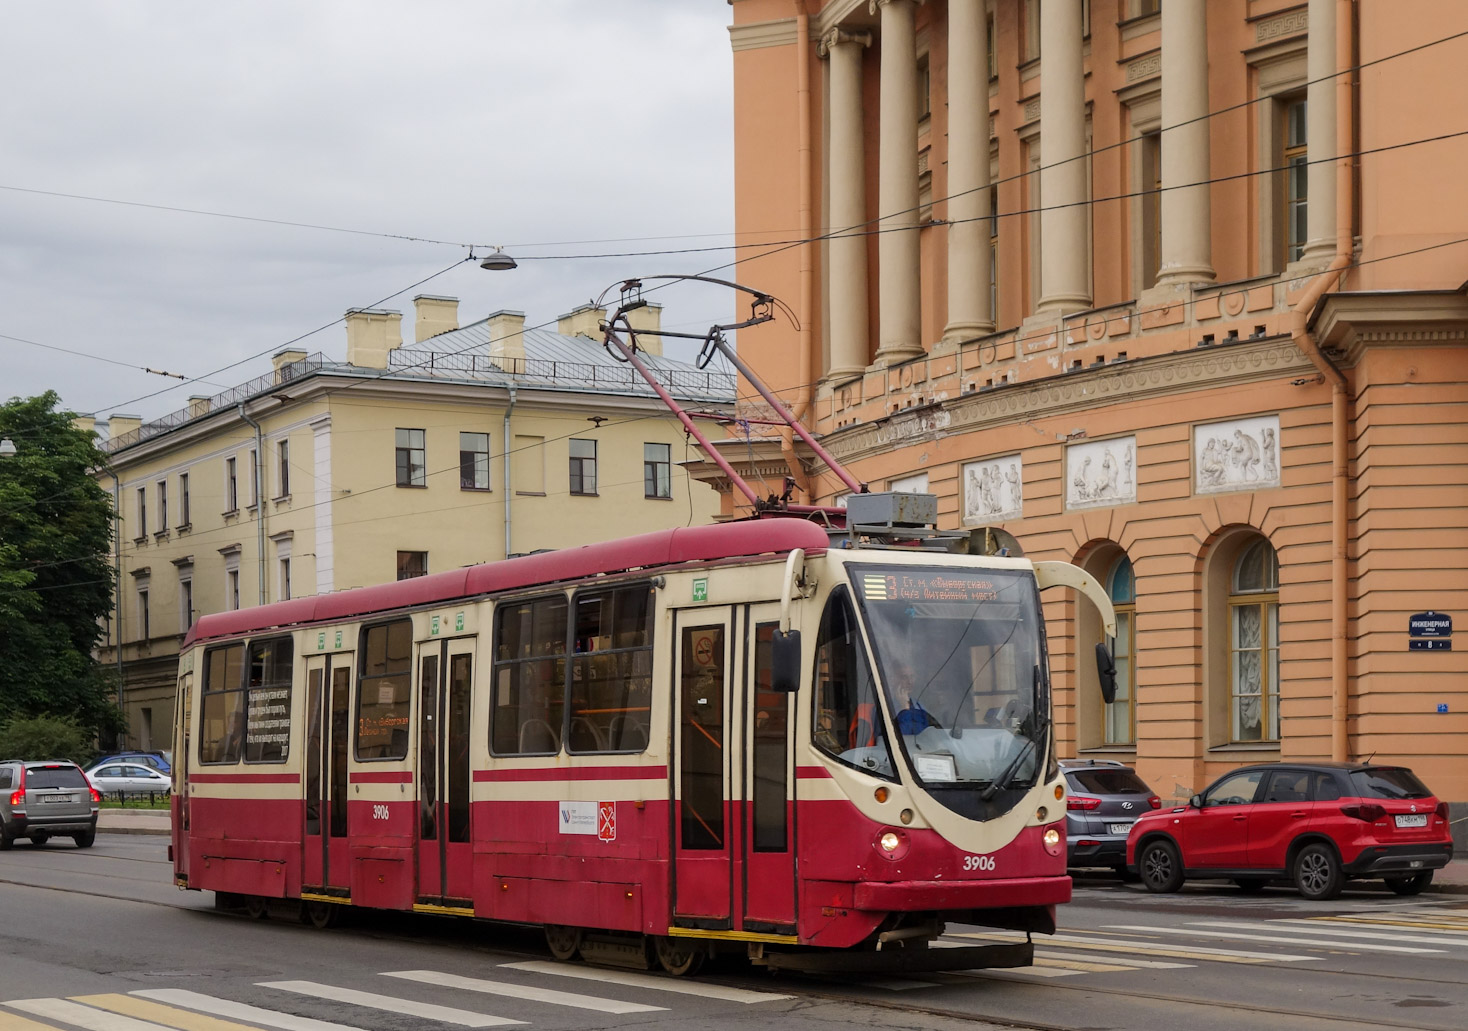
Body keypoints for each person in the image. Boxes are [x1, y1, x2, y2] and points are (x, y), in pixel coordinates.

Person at [891, 670, 934, 734]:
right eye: (904, 677)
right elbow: (902, 736)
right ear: (894, 680)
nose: (910, 681)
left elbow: (927, 733)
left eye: (912, 676)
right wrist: (905, 708)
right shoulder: (887, 707)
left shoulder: (919, 705)